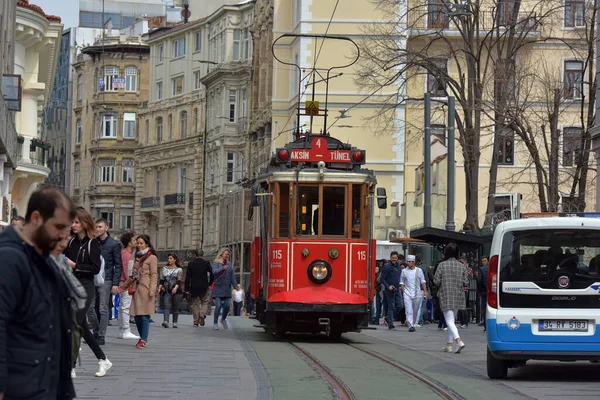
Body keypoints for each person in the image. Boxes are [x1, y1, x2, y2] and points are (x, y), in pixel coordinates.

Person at [0, 187, 76, 400]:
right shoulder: (9, 259)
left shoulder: (43, 259)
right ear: (36, 218)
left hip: (44, 385)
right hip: (21, 388)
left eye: (67, 229)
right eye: (58, 227)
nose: (63, 236)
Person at [65, 207, 113, 377]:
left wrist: (74, 265)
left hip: (86, 287)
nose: (73, 225)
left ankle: (70, 367)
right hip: (73, 286)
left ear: (85, 223)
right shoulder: (71, 242)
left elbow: (95, 268)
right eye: (72, 222)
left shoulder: (93, 244)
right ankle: (103, 360)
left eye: (76, 222)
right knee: (83, 327)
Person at [88, 218, 122, 345]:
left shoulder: (113, 244)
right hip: (92, 278)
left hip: (106, 279)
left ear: (106, 228)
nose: (97, 229)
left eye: (100, 227)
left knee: (103, 308)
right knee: (89, 308)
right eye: (96, 227)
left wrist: (115, 283)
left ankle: (101, 336)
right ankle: (96, 332)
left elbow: (118, 265)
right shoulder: (92, 243)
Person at [120, 234, 158, 349]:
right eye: (138, 243)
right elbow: (131, 275)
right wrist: (123, 287)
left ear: (147, 244)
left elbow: (154, 274)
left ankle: (143, 339)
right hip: (135, 288)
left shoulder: (152, 257)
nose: (139, 245)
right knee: (136, 315)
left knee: (144, 315)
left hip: (146, 288)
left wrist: (152, 289)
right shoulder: (135, 257)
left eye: (142, 243)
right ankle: (142, 337)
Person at [434, 243, 469, 353]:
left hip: (446, 294)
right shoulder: (462, 266)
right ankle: (449, 345)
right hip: (458, 295)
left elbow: (436, 280)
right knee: (452, 320)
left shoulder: (442, 265)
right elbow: (466, 282)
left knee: (449, 321)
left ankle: (458, 342)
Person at [211, 248, 240, 330]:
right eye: (226, 254)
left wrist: (235, 285)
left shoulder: (229, 264)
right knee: (218, 305)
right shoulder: (216, 262)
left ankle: (223, 319)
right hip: (218, 287)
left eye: (228, 255)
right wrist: (222, 268)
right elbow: (214, 272)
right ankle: (215, 323)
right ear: (221, 254)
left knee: (227, 305)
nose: (227, 256)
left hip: (227, 288)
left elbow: (232, 276)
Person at [118, 232, 140, 339]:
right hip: (126, 284)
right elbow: (128, 272)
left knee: (123, 307)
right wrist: (130, 283)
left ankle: (122, 330)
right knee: (125, 307)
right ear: (129, 243)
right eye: (134, 240)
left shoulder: (126, 253)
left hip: (124, 283)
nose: (136, 242)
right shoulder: (127, 255)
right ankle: (126, 330)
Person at [185, 249, 215, 327]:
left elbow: (188, 277)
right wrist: (210, 283)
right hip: (204, 286)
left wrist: (187, 288)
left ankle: (195, 321)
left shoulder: (191, 264)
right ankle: (202, 313)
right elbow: (212, 273)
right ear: (203, 255)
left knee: (195, 304)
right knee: (205, 301)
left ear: (195, 255)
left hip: (194, 286)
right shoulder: (206, 263)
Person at [400, 255, 428, 332]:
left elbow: (423, 281)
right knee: (409, 310)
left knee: (415, 310)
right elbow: (401, 282)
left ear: (413, 262)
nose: (408, 263)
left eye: (410, 262)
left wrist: (425, 291)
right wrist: (404, 291)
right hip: (407, 293)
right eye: (408, 261)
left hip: (417, 294)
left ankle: (413, 322)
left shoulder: (419, 271)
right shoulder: (404, 271)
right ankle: (410, 325)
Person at [159, 253, 184, 328]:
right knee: (166, 306)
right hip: (167, 289)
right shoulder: (164, 268)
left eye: (171, 258)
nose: (169, 260)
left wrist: (175, 288)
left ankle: (175, 322)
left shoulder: (179, 269)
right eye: (168, 258)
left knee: (176, 307)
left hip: (177, 290)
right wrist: (159, 287)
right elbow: (162, 280)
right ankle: (166, 321)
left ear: (175, 260)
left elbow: (179, 280)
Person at [380, 251, 403, 330]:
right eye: (393, 258)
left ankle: (388, 318)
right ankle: (390, 324)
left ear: (397, 258)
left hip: (397, 289)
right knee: (391, 306)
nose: (394, 259)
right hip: (389, 290)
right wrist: (388, 286)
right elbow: (382, 279)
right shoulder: (387, 266)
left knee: (400, 306)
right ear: (390, 258)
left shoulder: (399, 266)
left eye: (395, 258)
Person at [477, 255, 489, 330]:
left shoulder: (482, 269)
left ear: (488, 261)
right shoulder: (493, 268)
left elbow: (479, 281)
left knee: (484, 308)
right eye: (483, 261)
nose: (484, 262)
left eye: (485, 261)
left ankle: (485, 325)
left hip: (484, 291)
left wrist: (481, 291)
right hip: (491, 291)